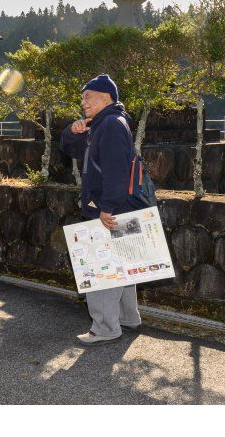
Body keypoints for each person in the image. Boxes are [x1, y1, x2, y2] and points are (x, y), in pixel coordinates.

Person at [59, 74, 142, 346]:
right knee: (123, 264)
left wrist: (108, 207)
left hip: (109, 209)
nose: (83, 102)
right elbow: (70, 149)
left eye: (88, 96)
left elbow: (116, 170)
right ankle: (127, 317)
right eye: (82, 97)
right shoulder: (104, 123)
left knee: (102, 268)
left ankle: (106, 328)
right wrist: (72, 131)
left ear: (106, 97)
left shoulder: (110, 124)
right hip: (120, 207)